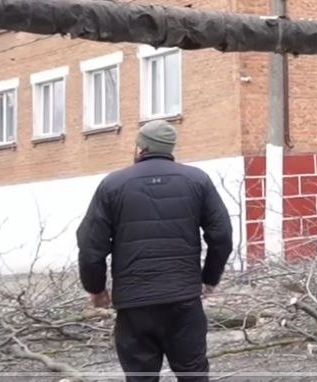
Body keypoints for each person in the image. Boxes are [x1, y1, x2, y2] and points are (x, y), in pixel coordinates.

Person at [77, 120, 233, 382]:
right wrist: (209, 278)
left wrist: (96, 289)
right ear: (170, 148)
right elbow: (222, 236)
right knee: (194, 375)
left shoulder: (113, 185)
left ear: (140, 148)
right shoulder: (197, 180)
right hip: (183, 301)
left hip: (135, 306)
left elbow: (91, 245)